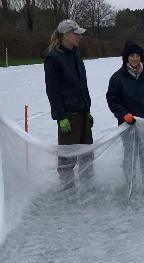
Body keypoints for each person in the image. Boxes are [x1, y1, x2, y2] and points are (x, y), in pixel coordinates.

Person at [106, 41, 144, 191]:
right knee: (130, 157)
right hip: (128, 126)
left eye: (137, 56)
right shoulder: (118, 77)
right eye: (131, 56)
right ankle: (130, 185)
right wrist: (123, 114)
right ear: (126, 58)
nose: (135, 59)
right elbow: (113, 100)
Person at [44, 19, 93, 190]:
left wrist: (87, 110)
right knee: (67, 158)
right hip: (68, 117)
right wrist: (60, 116)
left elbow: (82, 85)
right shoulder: (53, 57)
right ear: (65, 35)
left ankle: (88, 186)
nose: (79, 37)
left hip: (82, 113)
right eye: (76, 33)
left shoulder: (76, 54)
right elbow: (53, 90)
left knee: (87, 155)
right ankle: (68, 190)